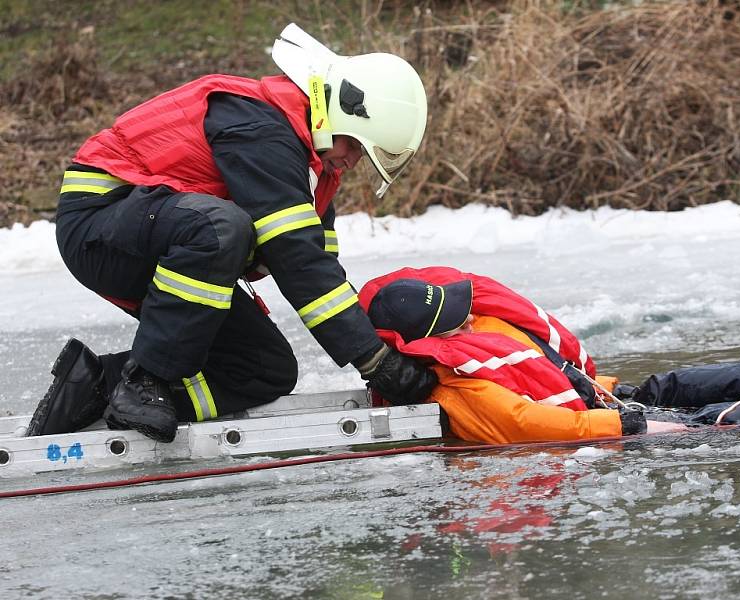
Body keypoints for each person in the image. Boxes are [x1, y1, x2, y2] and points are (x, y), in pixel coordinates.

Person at [26, 24, 438, 443]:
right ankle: (146, 380)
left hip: (162, 234)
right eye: (356, 146)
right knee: (221, 228)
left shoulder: (310, 172)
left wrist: (381, 342)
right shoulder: (263, 128)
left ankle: (98, 386)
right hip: (100, 220)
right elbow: (299, 264)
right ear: (341, 112)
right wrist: (373, 361)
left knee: (264, 368)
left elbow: (321, 271)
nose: (352, 162)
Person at [358, 266, 740, 444]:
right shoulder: (459, 389)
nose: (471, 320)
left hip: (602, 400)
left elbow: (547, 373)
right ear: (432, 342)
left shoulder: (472, 337)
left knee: (733, 377)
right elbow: (530, 424)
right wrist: (628, 422)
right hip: (611, 429)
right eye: (458, 321)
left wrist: (610, 392)